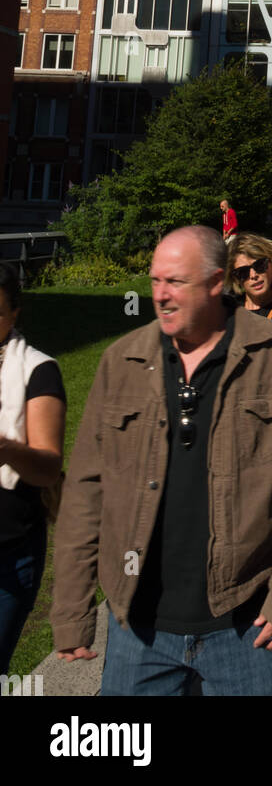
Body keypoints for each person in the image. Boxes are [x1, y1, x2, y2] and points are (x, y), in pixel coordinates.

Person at [51, 226, 272, 696]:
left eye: (176, 282)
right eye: (156, 280)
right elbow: (84, 489)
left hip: (245, 622)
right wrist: (72, 610)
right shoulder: (122, 361)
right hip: (138, 630)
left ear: (216, 282)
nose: (160, 295)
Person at [0, 262, 66, 675]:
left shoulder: (38, 370)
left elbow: (47, 468)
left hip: (10, 548)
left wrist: (5, 448)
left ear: (15, 313)